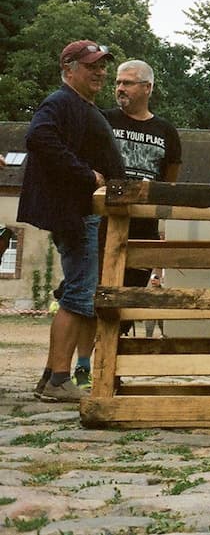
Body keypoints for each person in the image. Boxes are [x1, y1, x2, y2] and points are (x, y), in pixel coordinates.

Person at [21, 41, 125, 402]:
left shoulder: (80, 104)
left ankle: (55, 375)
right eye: (91, 65)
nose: (100, 72)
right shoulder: (60, 101)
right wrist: (87, 175)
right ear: (68, 69)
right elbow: (39, 137)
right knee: (79, 295)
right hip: (77, 214)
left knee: (79, 294)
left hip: (86, 214)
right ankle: (59, 380)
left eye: (102, 66)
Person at [104, 58, 182, 343]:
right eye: (117, 82)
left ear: (147, 87)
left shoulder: (166, 132)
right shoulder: (104, 121)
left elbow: (169, 181)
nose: (120, 88)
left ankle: (114, 363)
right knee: (98, 295)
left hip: (143, 231)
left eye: (127, 82)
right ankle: (87, 364)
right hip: (104, 225)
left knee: (130, 298)